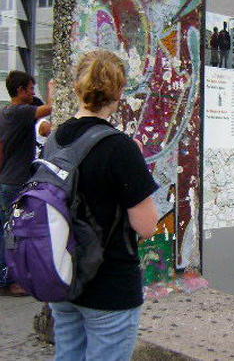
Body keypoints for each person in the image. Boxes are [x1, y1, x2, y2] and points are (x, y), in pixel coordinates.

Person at [49, 50, 159, 361]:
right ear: (119, 92)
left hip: (63, 275)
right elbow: (147, 226)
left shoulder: (56, 139)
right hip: (108, 284)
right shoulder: (121, 148)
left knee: (68, 355)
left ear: (77, 87)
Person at [0, 71, 53, 296]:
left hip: (9, 180)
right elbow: (48, 108)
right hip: (14, 183)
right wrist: (53, 88)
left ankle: (12, 276)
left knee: (11, 230)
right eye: (30, 89)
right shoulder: (18, 112)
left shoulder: (8, 112)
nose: (33, 93)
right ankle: (12, 280)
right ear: (20, 91)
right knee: (13, 232)